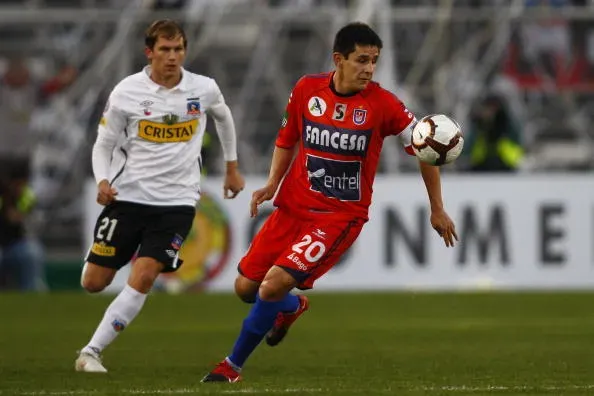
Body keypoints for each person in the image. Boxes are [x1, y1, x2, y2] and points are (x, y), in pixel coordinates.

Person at [202, 22, 457, 383]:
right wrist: (272, 183)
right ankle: (291, 308)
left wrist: (437, 207)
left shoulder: (384, 104)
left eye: (374, 61)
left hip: (338, 217)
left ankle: (231, 366)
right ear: (338, 59)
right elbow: (287, 137)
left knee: (271, 286)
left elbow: (423, 148)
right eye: (362, 60)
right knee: (246, 289)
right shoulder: (307, 89)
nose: (369, 68)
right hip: (293, 207)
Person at [74, 19, 245, 373]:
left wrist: (231, 167)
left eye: (178, 49)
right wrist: (102, 180)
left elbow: (224, 118)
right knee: (94, 283)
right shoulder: (126, 92)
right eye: (164, 50)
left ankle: (91, 351)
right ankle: (105, 278)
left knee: (146, 273)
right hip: (128, 197)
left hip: (177, 203)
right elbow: (103, 144)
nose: (172, 57)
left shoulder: (203, 88)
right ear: (149, 52)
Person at [0, 160, 45, 291]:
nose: (20, 187)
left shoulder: (27, 195)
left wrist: (22, 217)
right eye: (17, 184)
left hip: (15, 244)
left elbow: (32, 222)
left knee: (33, 252)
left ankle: (31, 291)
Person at [465, 94, 523, 172]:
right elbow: (468, 147)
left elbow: (516, 140)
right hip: (481, 164)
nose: (490, 111)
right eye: (488, 108)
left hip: (505, 164)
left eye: (493, 108)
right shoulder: (478, 124)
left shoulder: (507, 124)